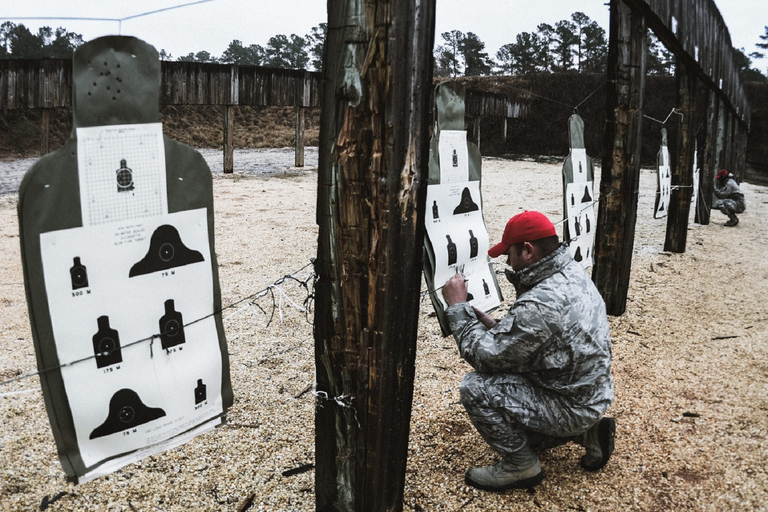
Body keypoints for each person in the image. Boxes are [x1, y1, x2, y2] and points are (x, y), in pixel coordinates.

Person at [442, 210, 615, 492]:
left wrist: (457, 308)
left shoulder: (541, 301)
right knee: (509, 385)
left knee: (475, 387)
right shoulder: (569, 272)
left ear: (528, 250)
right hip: (590, 395)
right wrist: (498, 326)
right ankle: (588, 431)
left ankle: (521, 464)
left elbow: (484, 357)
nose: (507, 262)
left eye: (508, 254)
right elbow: (546, 339)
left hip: (571, 405)